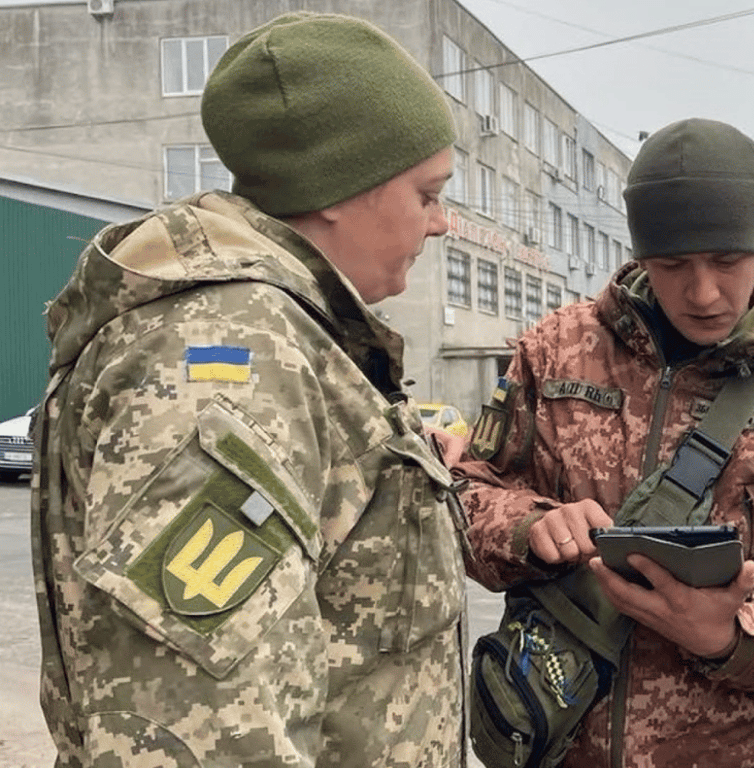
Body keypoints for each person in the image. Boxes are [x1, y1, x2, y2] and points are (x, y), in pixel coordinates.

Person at [31, 12, 470, 766]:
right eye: (427, 195)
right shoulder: (233, 351)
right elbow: (201, 727)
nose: (442, 225)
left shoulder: (291, 336)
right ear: (340, 188)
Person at [456, 117, 754, 767]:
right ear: (640, 255)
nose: (703, 291)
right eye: (673, 264)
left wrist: (731, 636)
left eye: (726, 260)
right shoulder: (554, 353)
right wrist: (527, 528)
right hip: (553, 744)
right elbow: (466, 490)